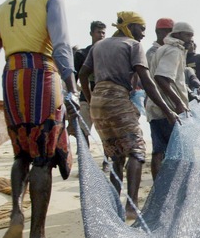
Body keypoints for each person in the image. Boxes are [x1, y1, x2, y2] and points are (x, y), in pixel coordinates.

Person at [0, 0, 80, 238]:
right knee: (43, 158)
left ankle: (17, 212)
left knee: (22, 152)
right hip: (42, 75)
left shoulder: (3, 6)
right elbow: (61, 45)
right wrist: (72, 88)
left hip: (12, 77)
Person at [78, 11, 183, 219]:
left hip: (98, 99)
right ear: (130, 26)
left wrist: (91, 101)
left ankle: (114, 205)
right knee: (136, 151)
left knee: (116, 155)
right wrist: (168, 110)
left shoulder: (99, 45)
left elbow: (82, 74)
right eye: (141, 28)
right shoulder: (133, 45)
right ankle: (131, 206)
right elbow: (146, 80)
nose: (143, 34)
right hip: (118, 97)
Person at [146, 21, 195, 180]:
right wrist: (178, 103)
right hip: (170, 110)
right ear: (178, 34)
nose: (190, 39)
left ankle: (158, 189)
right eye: (188, 35)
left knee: (158, 151)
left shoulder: (161, 49)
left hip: (155, 107)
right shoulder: (174, 51)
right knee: (182, 152)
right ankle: (178, 187)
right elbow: (162, 78)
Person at [73, 20, 107, 145]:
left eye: (103, 33)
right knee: (83, 130)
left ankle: (106, 161)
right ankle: (85, 156)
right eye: (98, 32)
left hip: (103, 97)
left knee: (106, 132)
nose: (101, 35)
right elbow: (75, 77)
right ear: (91, 33)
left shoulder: (107, 53)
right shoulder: (82, 54)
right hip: (85, 98)